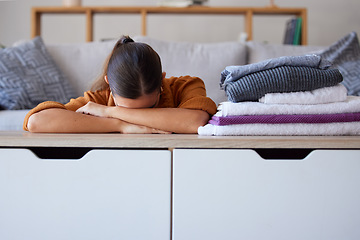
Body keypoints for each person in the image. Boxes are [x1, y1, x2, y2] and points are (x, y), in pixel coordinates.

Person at [23, 36, 217, 134]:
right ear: (109, 84)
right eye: (124, 108)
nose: (137, 119)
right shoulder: (99, 98)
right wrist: (120, 125)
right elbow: (36, 122)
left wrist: (112, 112)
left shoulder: (186, 86)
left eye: (149, 107)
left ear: (161, 81)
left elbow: (195, 122)